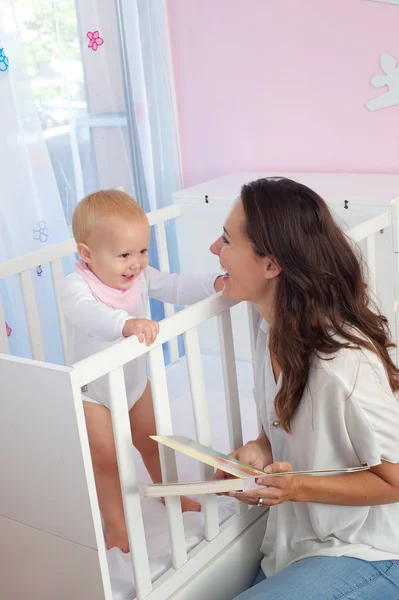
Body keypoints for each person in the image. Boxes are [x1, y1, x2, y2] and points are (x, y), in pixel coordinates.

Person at [211, 177, 399, 599]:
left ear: (271, 265)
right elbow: (282, 426)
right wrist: (259, 450)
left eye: (225, 239)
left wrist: (296, 487)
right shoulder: (268, 330)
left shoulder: (343, 365)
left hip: (378, 552)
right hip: (302, 546)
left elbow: (397, 479)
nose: (213, 250)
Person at [61, 189, 223, 554]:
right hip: (93, 392)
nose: (135, 263)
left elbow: (176, 285)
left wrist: (213, 284)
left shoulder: (140, 276)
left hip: (133, 384)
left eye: (141, 252)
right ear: (86, 254)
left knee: (154, 441)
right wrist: (126, 323)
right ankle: (116, 525)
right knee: (106, 458)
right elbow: (88, 315)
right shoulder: (76, 286)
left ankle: (169, 492)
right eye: (123, 255)